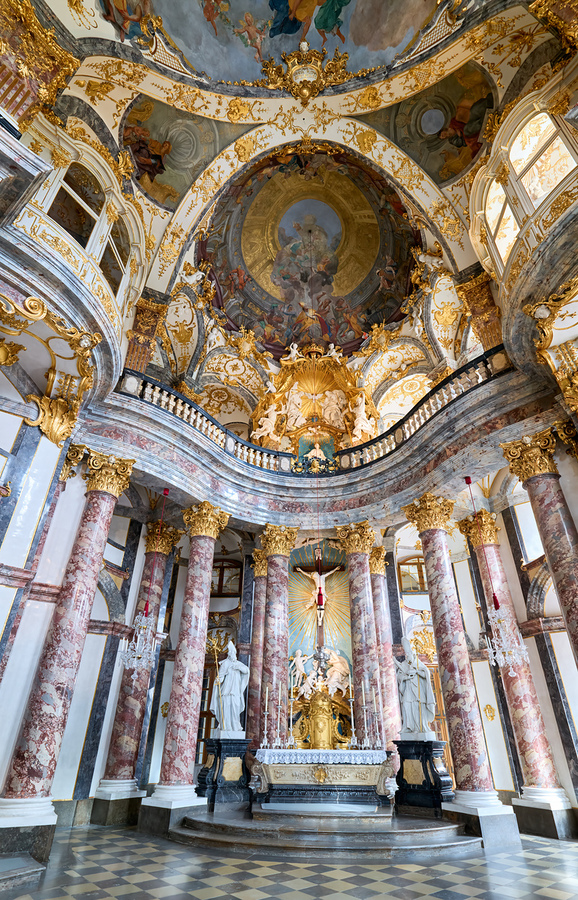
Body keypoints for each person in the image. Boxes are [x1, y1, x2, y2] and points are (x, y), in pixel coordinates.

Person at [395, 637, 436, 734]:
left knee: (418, 707)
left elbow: (426, 674)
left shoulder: (418, 663)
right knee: (406, 704)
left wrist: (416, 672)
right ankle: (407, 727)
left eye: (409, 654)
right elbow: (399, 676)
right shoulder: (403, 664)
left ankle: (419, 727)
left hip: (418, 690)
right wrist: (406, 677)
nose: (407, 656)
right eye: (406, 654)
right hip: (408, 689)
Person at [210, 640, 250, 734]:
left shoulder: (238, 664)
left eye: (234, 653)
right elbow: (221, 676)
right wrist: (218, 680)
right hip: (226, 692)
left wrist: (239, 667)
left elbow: (246, 671)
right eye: (231, 653)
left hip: (235, 691)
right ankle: (225, 726)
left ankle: (235, 726)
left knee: (235, 710)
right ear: (229, 654)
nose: (233, 655)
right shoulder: (225, 664)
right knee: (226, 710)